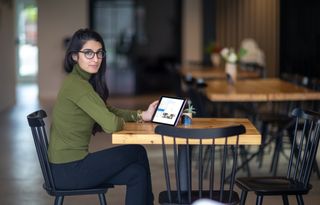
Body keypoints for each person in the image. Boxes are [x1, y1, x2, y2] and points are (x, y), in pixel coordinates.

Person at [48, 28, 157, 205]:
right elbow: (111, 124)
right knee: (137, 151)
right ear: (75, 56)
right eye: (88, 53)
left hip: (64, 169)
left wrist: (142, 115)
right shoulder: (78, 87)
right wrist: (118, 120)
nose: (96, 59)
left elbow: (110, 111)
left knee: (137, 173)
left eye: (99, 53)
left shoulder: (79, 82)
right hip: (70, 170)